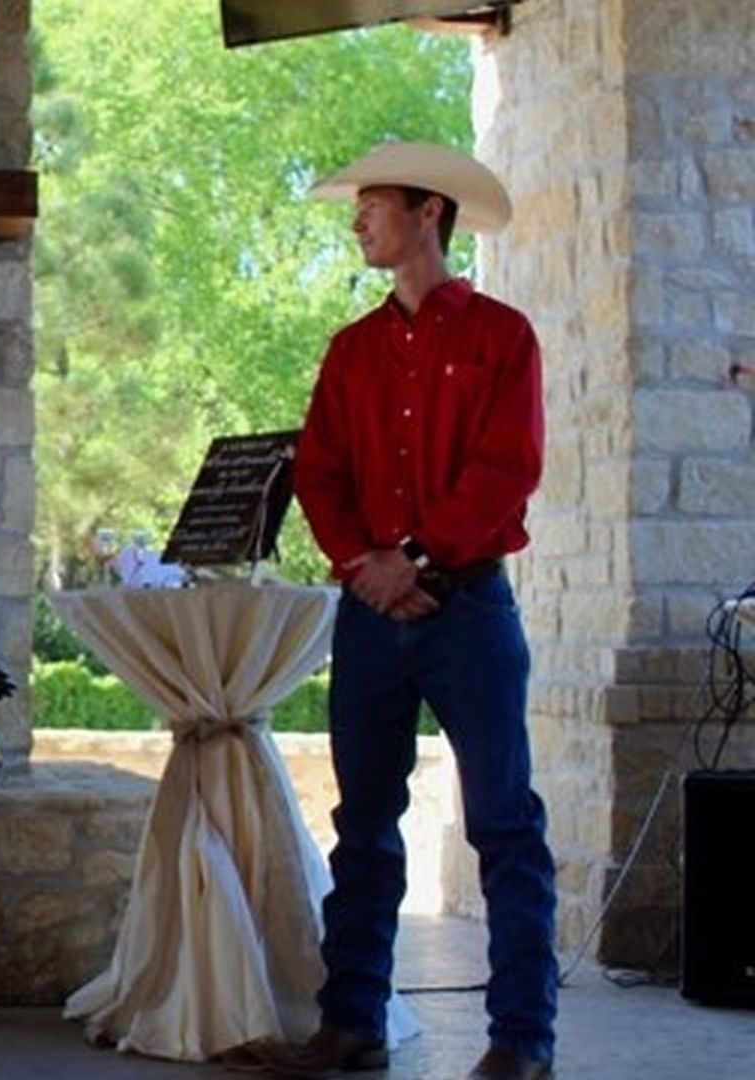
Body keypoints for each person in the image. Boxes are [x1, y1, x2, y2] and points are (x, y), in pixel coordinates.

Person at [280, 142, 556, 1080]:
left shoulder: (502, 338)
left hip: (469, 609)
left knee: (504, 824)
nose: (359, 221)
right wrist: (368, 566)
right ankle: (350, 1019)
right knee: (363, 823)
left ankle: (522, 1038)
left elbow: (505, 471)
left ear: (428, 212)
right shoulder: (349, 352)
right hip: (374, 616)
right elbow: (318, 472)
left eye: (374, 206)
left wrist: (417, 560)